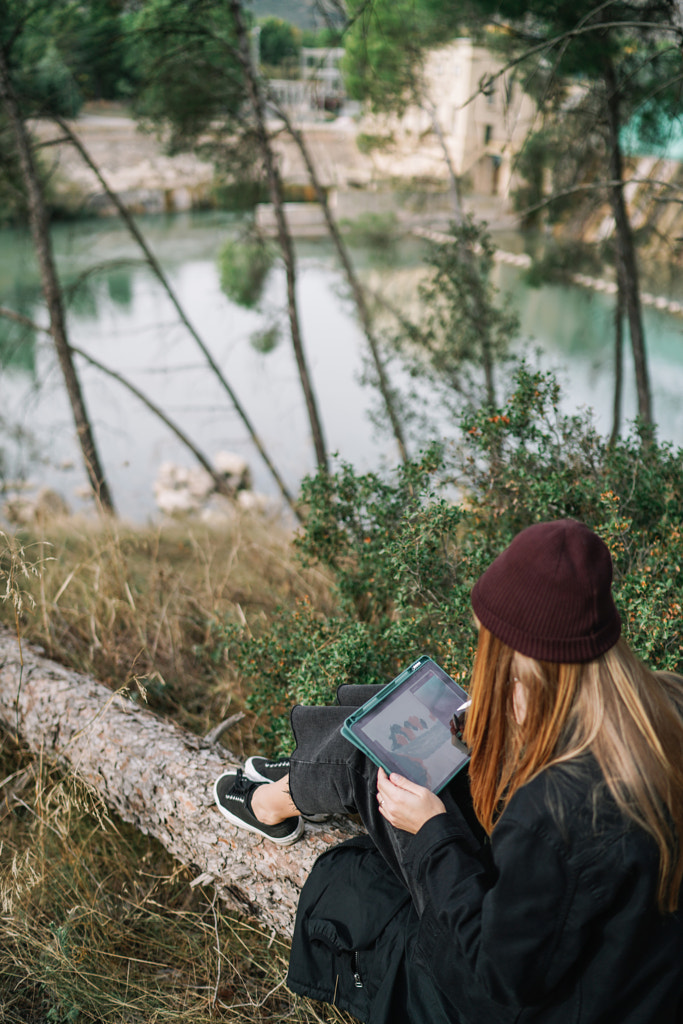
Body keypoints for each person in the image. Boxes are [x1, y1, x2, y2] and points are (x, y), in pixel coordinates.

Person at [213, 519, 683, 1023]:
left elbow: (498, 977)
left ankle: (276, 801)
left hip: (519, 1003)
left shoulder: (553, 813)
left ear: (523, 664)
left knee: (381, 764)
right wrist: (509, 716)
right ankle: (294, 785)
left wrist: (432, 832)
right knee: (414, 721)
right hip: (621, 974)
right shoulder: (665, 703)